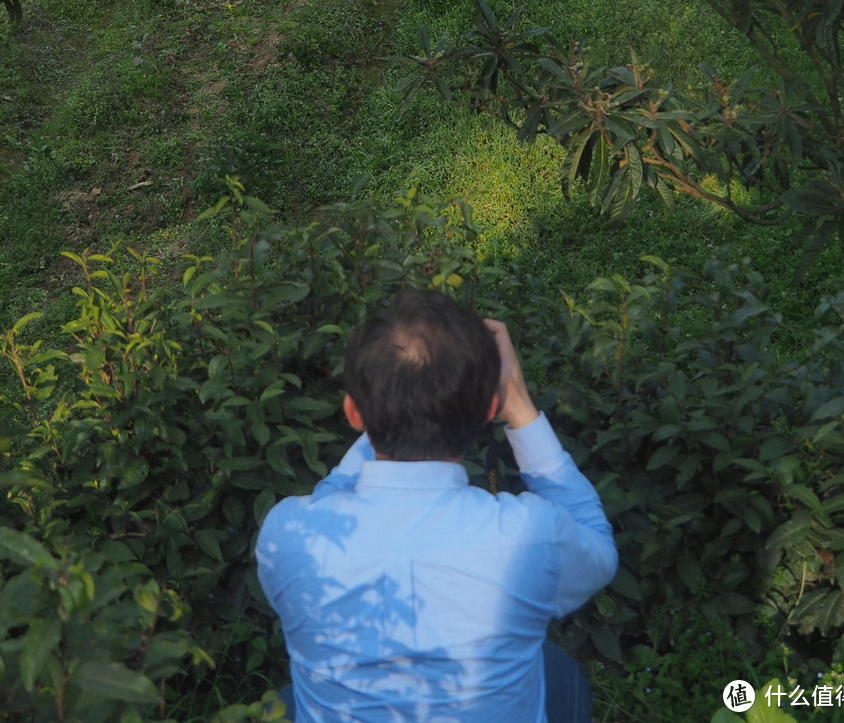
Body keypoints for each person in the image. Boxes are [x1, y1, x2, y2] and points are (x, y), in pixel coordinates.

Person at [256, 289, 617, 723]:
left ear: (354, 414)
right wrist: (519, 408)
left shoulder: (289, 534)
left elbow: (330, 497)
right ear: (489, 409)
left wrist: (390, 407)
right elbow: (598, 549)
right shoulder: (530, 535)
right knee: (557, 670)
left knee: (289, 696)